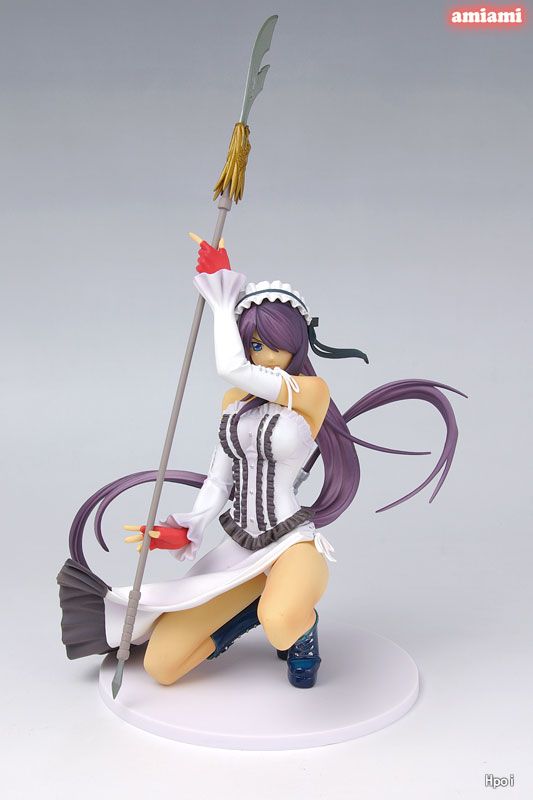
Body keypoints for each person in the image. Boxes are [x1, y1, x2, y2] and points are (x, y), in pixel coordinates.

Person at [57, 238, 464, 689]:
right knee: (162, 666)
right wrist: (191, 525)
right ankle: (251, 611)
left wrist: (221, 295)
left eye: (276, 345)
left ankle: (298, 630)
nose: (266, 357)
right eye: (254, 344)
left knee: (282, 621)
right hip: (240, 547)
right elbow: (220, 478)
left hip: (291, 544)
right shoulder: (235, 401)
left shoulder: (310, 392)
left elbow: (232, 368)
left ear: (296, 343)